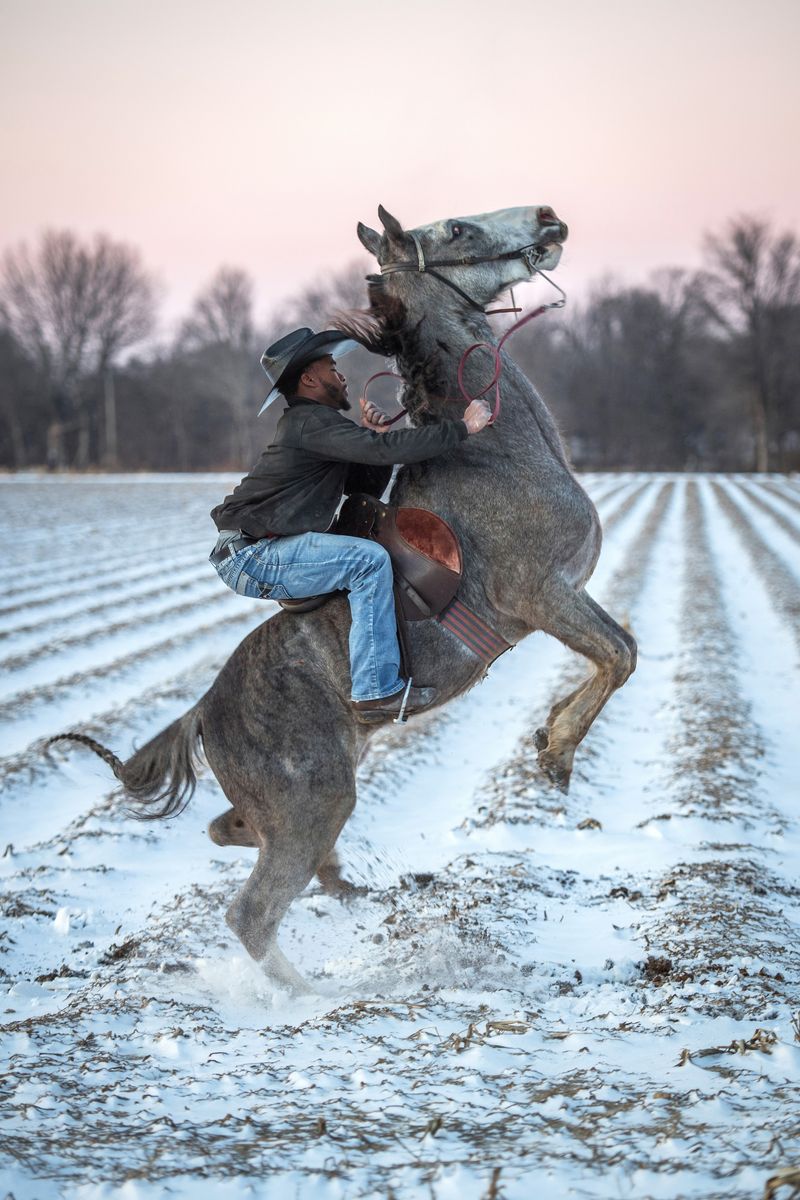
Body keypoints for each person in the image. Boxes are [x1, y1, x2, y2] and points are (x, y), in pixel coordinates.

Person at [210, 327, 490, 722]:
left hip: (258, 551)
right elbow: (384, 452)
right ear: (309, 379)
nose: (341, 376)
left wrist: (375, 436)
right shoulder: (308, 423)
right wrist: (463, 429)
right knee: (369, 561)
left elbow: (363, 484)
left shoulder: (317, 425)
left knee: (365, 559)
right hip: (254, 556)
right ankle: (375, 692)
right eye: (332, 367)